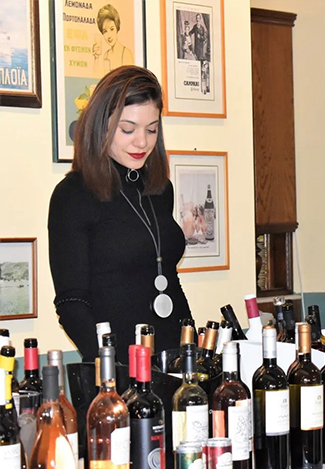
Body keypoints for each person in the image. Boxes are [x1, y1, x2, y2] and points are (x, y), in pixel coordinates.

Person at [48, 66, 193, 363]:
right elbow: (72, 303)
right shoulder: (73, 195)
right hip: (119, 366)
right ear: (101, 125)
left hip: (176, 358)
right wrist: (111, 367)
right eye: (128, 129)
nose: (142, 142)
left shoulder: (160, 189)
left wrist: (193, 347)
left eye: (151, 129)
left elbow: (167, 276)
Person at [92, 4, 134, 73]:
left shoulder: (126, 54)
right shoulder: (106, 55)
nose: (109, 36)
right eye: (105, 31)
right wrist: (96, 58)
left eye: (111, 29)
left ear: (117, 27)